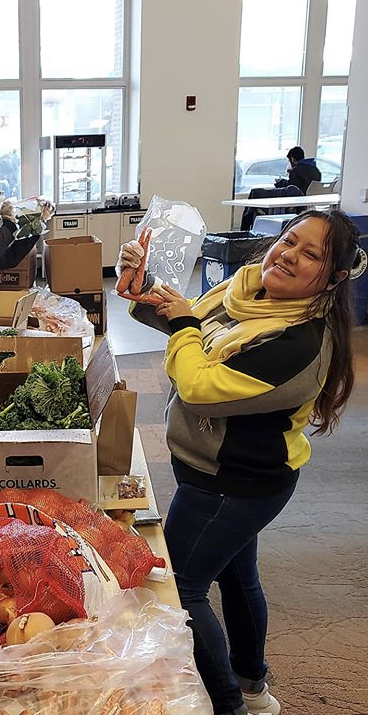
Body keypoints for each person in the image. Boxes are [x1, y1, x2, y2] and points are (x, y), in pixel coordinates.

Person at [118, 210, 358, 715]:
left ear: (334, 278)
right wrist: (146, 286)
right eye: (289, 240)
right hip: (217, 467)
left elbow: (200, 385)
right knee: (236, 575)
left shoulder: (300, 343)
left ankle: (228, 704)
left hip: (235, 482)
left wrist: (183, 322)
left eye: (311, 254)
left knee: (180, 590)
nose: (289, 254)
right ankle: (253, 687)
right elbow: (192, 325)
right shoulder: (248, 291)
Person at [241, 147, 322, 231]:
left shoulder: (297, 170)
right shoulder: (316, 170)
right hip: (307, 202)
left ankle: (244, 228)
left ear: (292, 159)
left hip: (295, 202)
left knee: (256, 193)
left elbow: (292, 188)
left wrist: (281, 181)